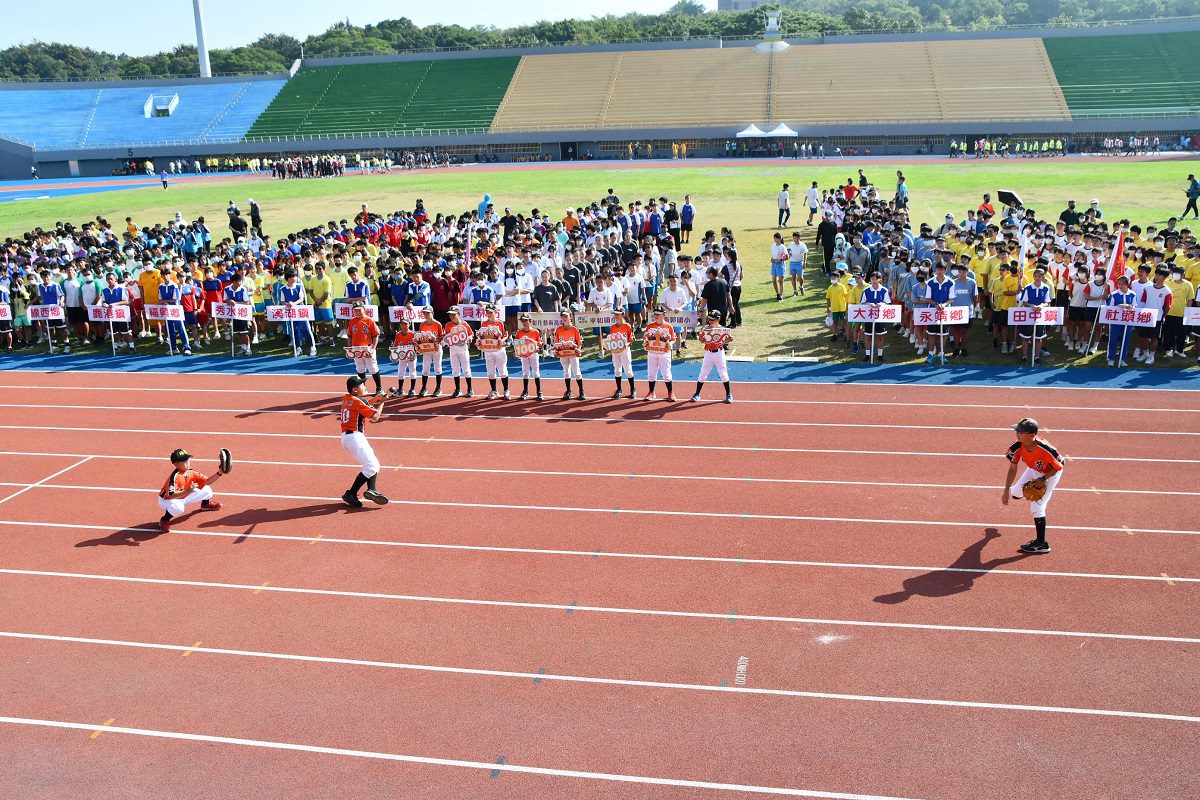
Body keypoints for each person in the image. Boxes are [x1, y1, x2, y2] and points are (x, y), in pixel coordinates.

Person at [1001, 418, 1064, 555]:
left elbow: (1060, 465)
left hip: (1051, 474)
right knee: (1016, 493)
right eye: (1016, 430)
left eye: (1020, 431)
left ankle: (1042, 543)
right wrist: (1006, 490)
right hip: (1033, 469)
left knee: (1037, 507)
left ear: (1032, 435)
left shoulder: (1045, 449)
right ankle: (1026, 492)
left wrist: (1043, 479)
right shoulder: (1017, 447)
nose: (1017, 433)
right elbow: (1012, 469)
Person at [340, 376, 389, 508]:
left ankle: (371, 489)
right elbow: (375, 417)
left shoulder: (347, 398)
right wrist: (382, 402)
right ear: (355, 389)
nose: (365, 386)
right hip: (355, 437)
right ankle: (351, 493)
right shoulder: (358, 401)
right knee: (371, 467)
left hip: (348, 438)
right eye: (362, 385)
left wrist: (376, 399)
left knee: (374, 465)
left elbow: (361, 407)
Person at [158, 448, 224, 533]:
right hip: (168, 500)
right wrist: (188, 491)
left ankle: (205, 505)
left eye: (188, 460)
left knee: (207, 489)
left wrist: (219, 473)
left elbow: (207, 481)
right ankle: (164, 520)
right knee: (178, 508)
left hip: (184, 496)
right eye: (184, 461)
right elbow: (171, 494)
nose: (187, 463)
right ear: (176, 464)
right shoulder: (174, 477)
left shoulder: (191, 472)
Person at [692, 310, 733, 403]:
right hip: (708, 353)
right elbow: (702, 341)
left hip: (719, 353)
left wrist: (730, 339)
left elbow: (727, 340)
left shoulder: (723, 329)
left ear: (718, 319)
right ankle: (697, 393)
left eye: (712, 320)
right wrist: (701, 340)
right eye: (709, 319)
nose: (710, 321)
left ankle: (729, 394)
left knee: (723, 373)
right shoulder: (706, 329)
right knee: (703, 373)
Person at [475, 304, 510, 399]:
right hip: (488, 350)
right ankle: (494, 390)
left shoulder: (501, 323)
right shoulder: (484, 324)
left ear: (496, 312)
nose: (489, 314)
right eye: (487, 312)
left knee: (502, 370)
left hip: (499, 350)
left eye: (491, 312)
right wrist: (478, 343)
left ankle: (506, 390)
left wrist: (502, 341)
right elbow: (480, 337)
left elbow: (506, 335)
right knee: (490, 372)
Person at [347, 302, 382, 395]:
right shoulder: (351, 321)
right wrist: (349, 348)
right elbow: (349, 335)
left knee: (373, 368)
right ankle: (362, 388)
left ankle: (379, 388)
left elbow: (375, 335)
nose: (357, 312)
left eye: (359, 310)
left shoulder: (369, 320)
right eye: (355, 310)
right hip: (356, 348)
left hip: (367, 347)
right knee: (360, 368)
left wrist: (373, 348)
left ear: (364, 309)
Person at [643, 306, 677, 400]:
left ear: (663, 315)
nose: (656, 316)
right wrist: (645, 342)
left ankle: (670, 393)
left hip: (664, 353)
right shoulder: (650, 326)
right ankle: (651, 392)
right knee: (651, 373)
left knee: (666, 373)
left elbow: (673, 339)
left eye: (658, 314)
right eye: (655, 314)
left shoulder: (668, 326)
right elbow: (646, 338)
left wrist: (670, 343)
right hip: (652, 352)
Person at [442, 307, 475, 398]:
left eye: (453, 314)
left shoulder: (464, 324)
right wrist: (445, 342)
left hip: (463, 349)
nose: (451, 316)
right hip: (453, 350)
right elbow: (447, 337)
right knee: (455, 370)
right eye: (450, 314)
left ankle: (470, 389)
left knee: (466, 369)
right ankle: (457, 389)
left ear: (458, 314)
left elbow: (471, 333)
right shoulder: (448, 325)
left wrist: (469, 338)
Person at [553, 309, 585, 399]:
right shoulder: (558, 330)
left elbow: (579, 342)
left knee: (577, 372)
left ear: (570, 317)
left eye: (566, 316)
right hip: (563, 354)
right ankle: (568, 391)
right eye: (563, 316)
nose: (564, 318)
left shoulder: (575, 329)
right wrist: (556, 351)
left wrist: (578, 350)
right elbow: (556, 343)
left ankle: (582, 391)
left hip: (573, 354)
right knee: (566, 372)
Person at [605, 309, 636, 399]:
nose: (615, 316)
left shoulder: (627, 326)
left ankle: (633, 389)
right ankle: (619, 389)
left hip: (625, 351)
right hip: (615, 351)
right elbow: (611, 340)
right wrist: (609, 348)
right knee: (617, 370)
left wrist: (627, 344)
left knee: (628, 370)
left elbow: (631, 339)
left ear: (623, 315)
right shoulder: (613, 327)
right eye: (615, 314)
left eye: (617, 314)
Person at [415, 306, 445, 396]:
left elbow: (441, 336)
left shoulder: (438, 324)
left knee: (437, 368)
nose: (425, 315)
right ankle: (424, 388)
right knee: (425, 369)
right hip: (426, 350)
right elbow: (420, 337)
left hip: (436, 349)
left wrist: (435, 341)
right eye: (424, 313)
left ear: (432, 313)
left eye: (427, 313)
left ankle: (438, 388)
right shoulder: (422, 325)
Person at [513, 312, 543, 400]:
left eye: (526, 320)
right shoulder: (519, 333)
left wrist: (537, 348)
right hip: (524, 355)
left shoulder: (535, 332)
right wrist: (516, 352)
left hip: (533, 354)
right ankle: (525, 391)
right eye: (522, 321)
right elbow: (516, 344)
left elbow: (539, 344)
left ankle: (539, 392)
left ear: (530, 321)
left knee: (536, 372)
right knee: (525, 372)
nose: (524, 322)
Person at [388, 317, 418, 397]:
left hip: (411, 356)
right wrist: (394, 354)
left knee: (412, 372)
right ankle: (400, 390)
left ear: (409, 324)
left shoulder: (413, 334)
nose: (404, 326)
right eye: (402, 324)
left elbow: (417, 346)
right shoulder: (398, 334)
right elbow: (395, 345)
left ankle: (412, 389)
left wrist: (415, 352)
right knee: (401, 372)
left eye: (406, 324)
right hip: (402, 356)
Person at [787, 231, 808, 297]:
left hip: (799, 263)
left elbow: (805, 254)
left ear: (799, 238)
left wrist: (804, 263)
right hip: (792, 263)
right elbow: (789, 252)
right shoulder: (791, 244)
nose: (794, 239)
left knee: (800, 277)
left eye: (795, 238)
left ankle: (801, 287)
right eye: (793, 238)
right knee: (793, 277)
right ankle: (795, 291)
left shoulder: (802, 245)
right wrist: (788, 255)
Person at [770, 232, 789, 301]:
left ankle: (781, 296)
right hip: (774, 265)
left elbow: (787, 257)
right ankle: (778, 294)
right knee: (774, 281)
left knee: (780, 281)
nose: (775, 240)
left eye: (777, 238)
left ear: (780, 238)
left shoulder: (782, 247)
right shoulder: (773, 246)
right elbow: (772, 256)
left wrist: (780, 259)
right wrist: (772, 259)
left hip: (780, 265)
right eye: (774, 238)